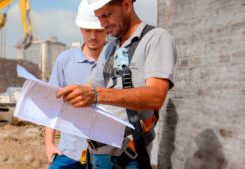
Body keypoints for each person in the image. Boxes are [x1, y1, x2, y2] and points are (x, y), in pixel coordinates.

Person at [56, 0, 177, 168]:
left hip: (128, 157)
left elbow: (156, 96)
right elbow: (89, 89)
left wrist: (96, 95)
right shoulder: (110, 48)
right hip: (95, 155)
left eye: (106, 15)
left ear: (127, 5)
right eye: (99, 17)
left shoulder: (155, 38)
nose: (102, 24)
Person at [44, 0, 107, 168]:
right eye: (88, 30)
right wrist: (49, 144)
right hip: (70, 151)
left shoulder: (115, 60)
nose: (93, 36)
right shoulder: (65, 60)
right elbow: (53, 103)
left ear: (107, 28)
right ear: (80, 29)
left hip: (106, 154)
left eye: (99, 31)